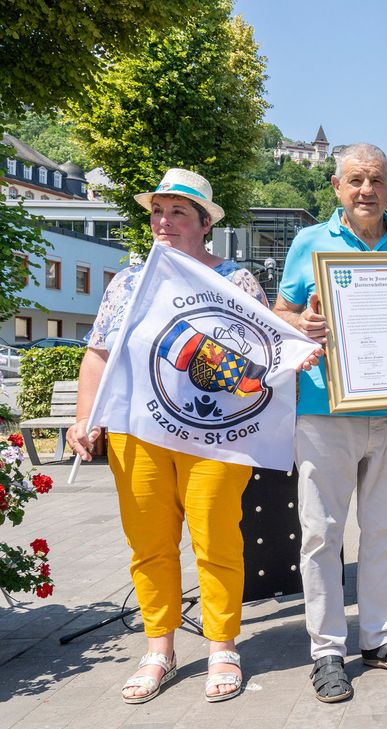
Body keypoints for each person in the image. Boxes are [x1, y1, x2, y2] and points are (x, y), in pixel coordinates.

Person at [67, 168, 268, 704]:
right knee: (149, 544)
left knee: (215, 538)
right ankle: (159, 647)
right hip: (139, 433)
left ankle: (223, 644)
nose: (163, 221)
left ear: (205, 224)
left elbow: (265, 357)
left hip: (215, 437)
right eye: (157, 211)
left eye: (178, 212)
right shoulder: (127, 282)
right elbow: (99, 354)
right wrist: (84, 417)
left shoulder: (236, 280)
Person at [273, 144, 387, 702]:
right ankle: (326, 650)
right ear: (337, 187)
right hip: (325, 412)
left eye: (376, 180)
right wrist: (305, 323)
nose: (366, 190)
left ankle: (380, 637)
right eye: (355, 180)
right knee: (322, 535)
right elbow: (281, 314)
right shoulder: (309, 243)